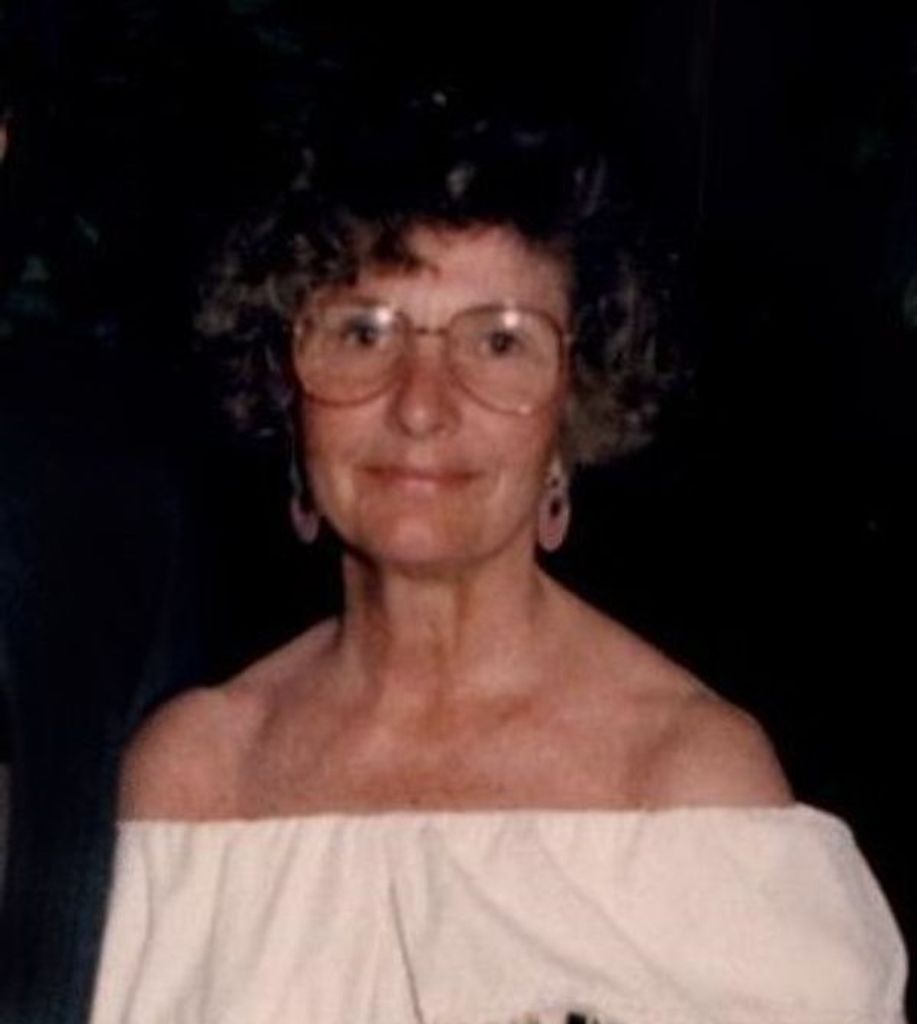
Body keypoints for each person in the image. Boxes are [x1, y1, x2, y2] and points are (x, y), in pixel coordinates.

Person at [89, 89, 907, 1024]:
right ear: (285, 386)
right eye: (362, 332)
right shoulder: (197, 777)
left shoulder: (681, 782)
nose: (421, 405)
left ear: (575, 403)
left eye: (499, 342)